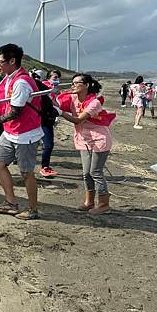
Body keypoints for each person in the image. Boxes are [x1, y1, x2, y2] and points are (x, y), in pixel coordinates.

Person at [0, 44, 43, 220]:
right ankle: (11, 202)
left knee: (26, 173)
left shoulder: (20, 82)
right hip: (10, 131)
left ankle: (33, 210)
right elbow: (2, 104)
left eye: (0, 62)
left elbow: (14, 112)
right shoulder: (8, 79)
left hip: (25, 133)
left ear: (12, 61)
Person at [57, 74, 114, 214]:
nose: (73, 85)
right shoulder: (73, 98)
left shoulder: (94, 102)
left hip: (99, 139)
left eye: (77, 83)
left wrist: (60, 112)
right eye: (72, 83)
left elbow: (78, 120)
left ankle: (104, 204)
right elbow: (57, 103)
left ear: (87, 85)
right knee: (86, 173)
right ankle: (89, 202)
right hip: (83, 140)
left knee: (95, 172)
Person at [30, 70, 59, 178]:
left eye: (57, 77)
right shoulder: (43, 87)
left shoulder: (47, 88)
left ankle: (44, 167)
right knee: (46, 145)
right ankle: (43, 167)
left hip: (45, 119)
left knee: (46, 145)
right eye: (55, 77)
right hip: (39, 120)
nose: (56, 79)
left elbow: (53, 102)